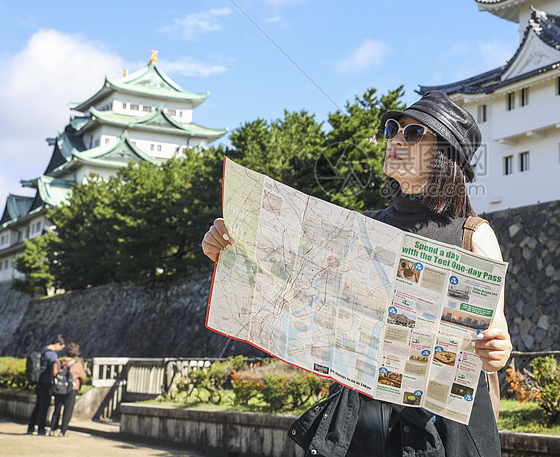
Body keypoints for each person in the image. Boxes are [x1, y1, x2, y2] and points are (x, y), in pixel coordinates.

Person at [202, 90, 512, 456]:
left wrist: (496, 351)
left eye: (414, 134)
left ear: (446, 155)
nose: (396, 137)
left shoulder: (473, 236)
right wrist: (230, 244)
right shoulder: (364, 228)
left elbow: (497, 337)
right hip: (363, 425)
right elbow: (294, 284)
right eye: (393, 128)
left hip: (442, 431)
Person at [27, 334, 65, 435]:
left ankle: (31, 427)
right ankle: (41, 428)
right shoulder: (52, 355)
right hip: (47, 382)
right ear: (57, 344)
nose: (61, 349)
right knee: (44, 406)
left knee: (38, 405)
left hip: (39, 380)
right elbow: (53, 369)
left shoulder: (44, 350)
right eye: (61, 347)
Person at [49, 342, 87, 436]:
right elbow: (83, 377)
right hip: (72, 389)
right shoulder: (77, 364)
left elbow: (53, 374)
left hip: (59, 388)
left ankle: (52, 429)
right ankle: (63, 431)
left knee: (57, 409)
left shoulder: (59, 362)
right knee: (68, 410)